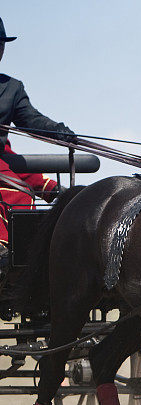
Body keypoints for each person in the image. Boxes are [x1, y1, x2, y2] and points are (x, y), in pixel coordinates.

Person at [0, 17, 77, 265]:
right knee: (15, 190)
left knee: (25, 181)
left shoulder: (12, 88)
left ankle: (24, 255)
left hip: (3, 159)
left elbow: (31, 120)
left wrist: (57, 131)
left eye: (1, 44)